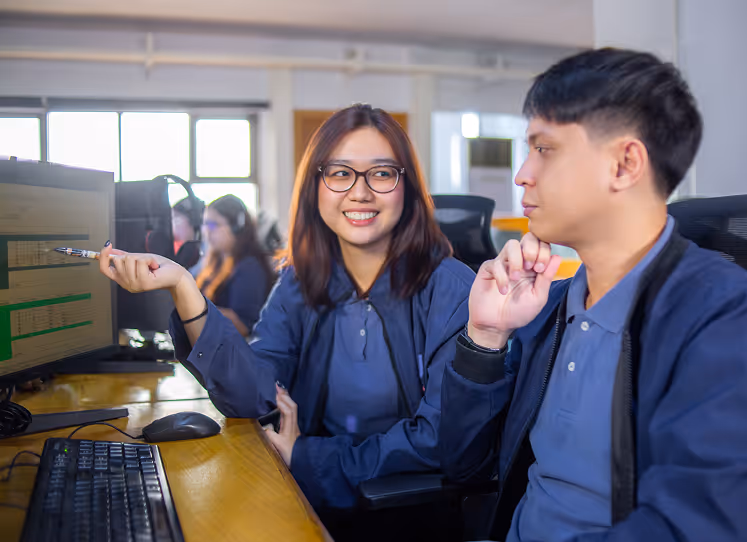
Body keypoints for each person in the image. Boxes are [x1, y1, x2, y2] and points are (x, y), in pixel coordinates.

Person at [440, 48, 747, 542]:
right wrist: (487, 335)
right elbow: (464, 467)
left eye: (544, 149)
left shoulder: (727, 322)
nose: (522, 174)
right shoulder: (552, 307)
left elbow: (703, 528)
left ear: (624, 164)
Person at [97, 105, 474, 520]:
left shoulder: (450, 289)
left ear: (408, 187)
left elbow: (441, 440)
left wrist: (308, 457)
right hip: (304, 495)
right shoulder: (301, 281)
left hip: (403, 513)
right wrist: (184, 288)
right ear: (316, 186)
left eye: (382, 173)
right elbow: (253, 393)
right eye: (339, 172)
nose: (360, 192)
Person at [190, 195, 274, 336]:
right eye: (205, 224)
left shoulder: (249, 267)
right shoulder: (214, 262)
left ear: (236, 227)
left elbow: (244, 326)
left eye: (213, 224)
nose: (207, 231)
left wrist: (194, 309)